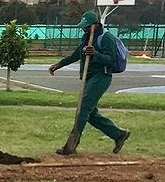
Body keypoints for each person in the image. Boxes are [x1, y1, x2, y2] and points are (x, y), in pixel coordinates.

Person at [49, 11, 130, 156]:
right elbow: (76, 54)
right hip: (88, 78)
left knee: (83, 108)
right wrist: (59, 64)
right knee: (90, 113)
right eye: (83, 27)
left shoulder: (106, 38)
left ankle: (71, 146)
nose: (84, 29)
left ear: (95, 25)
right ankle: (118, 134)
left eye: (86, 27)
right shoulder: (86, 37)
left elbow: (110, 60)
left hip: (101, 77)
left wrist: (95, 54)